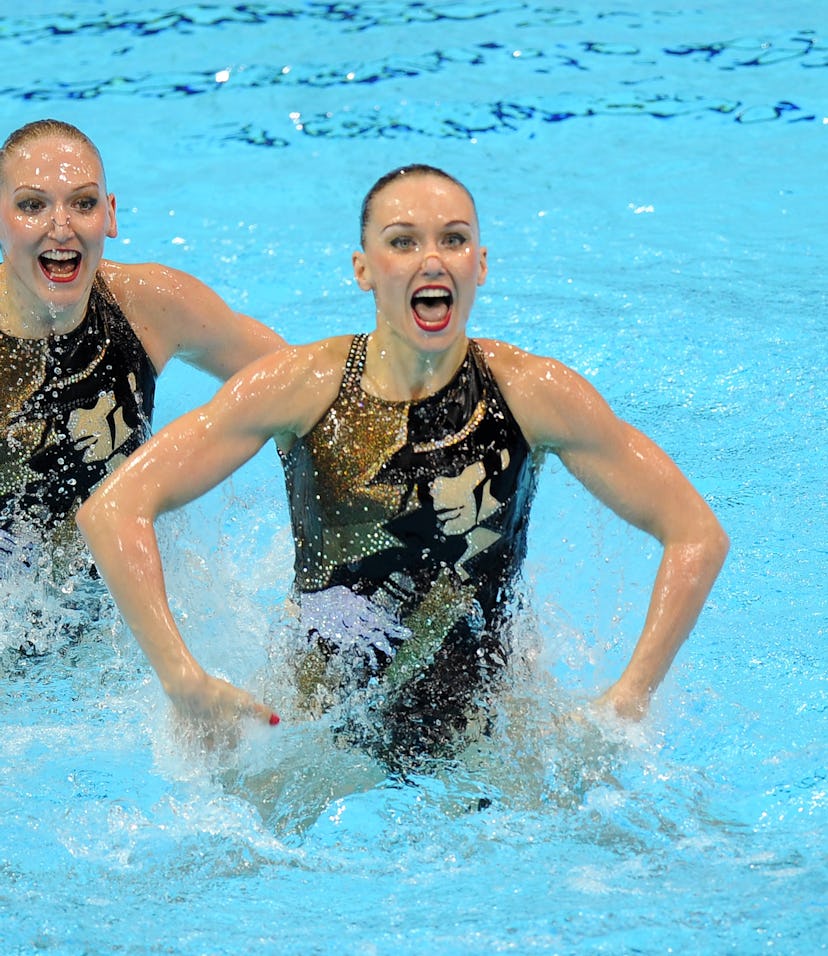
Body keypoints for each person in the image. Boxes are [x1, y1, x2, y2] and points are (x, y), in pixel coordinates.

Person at [77, 164, 729, 765]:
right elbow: (114, 511)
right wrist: (184, 682)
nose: (431, 260)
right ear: (364, 269)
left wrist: (629, 697)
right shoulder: (302, 386)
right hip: (315, 739)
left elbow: (695, 533)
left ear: (480, 264)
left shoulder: (535, 394)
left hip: (485, 739)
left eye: (452, 240)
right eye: (403, 241)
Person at [0, 118, 285, 582]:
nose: (61, 226)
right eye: (32, 205)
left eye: (83, 203)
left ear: (109, 215)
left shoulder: (149, 306)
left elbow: (300, 379)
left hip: (118, 612)